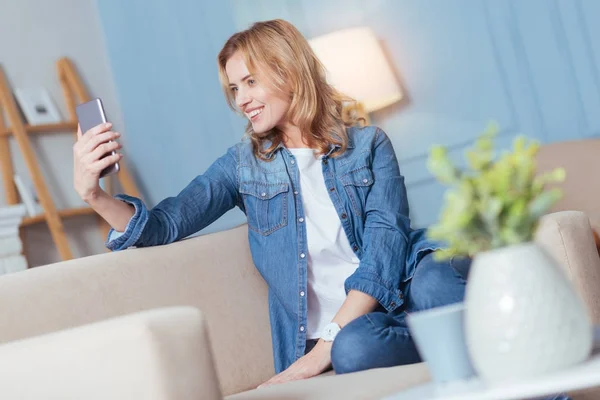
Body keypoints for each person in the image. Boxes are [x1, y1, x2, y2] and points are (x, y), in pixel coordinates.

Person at [72, 19, 570, 399]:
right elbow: (165, 223)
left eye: (249, 82)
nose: (241, 99)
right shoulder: (242, 166)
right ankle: (487, 339)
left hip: (403, 284)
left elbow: (387, 243)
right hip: (361, 331)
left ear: (287, 70)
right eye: (233, 89)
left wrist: (329, 342)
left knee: (437, 281)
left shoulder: (369, 144)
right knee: (357, 349)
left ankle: (552, 388)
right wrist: (94, 195)